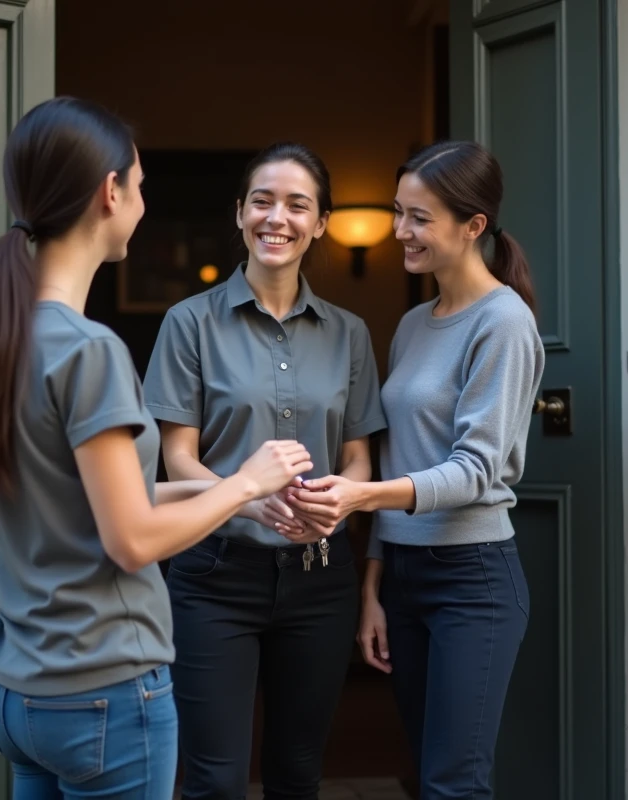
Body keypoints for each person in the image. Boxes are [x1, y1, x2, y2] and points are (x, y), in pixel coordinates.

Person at [0, 97, 313, 800]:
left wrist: (239, 491)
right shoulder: (89, 349)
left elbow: (105, 500)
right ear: (109, 193)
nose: (142, 205)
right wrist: (245, 484)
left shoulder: (5, 337)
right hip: (104, 695)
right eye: (140, 187)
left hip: (21, 697)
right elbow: (134, 538)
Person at [283, 140, 545, 800]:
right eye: (399, 213)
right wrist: (375, 587)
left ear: (473, 226)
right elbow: (401, 455)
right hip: (404, 579)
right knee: (426, 775)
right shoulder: (411, 325)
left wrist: (361, 496)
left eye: (419, 217)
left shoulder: (504, 322)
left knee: (454, 784)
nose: (401, 231)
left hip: (472, 581)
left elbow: (476, 470)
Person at [141, 141, 387, 800]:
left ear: (321, 222)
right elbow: (177, 457)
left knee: (297, 775)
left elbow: (359, 454)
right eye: (262, 201)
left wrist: (344, 499)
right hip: (215, 574)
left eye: (296, 204)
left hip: (320, 581)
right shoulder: (188, 323)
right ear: (241, 213)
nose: (276, 218)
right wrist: (245, 499)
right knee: (215, 781)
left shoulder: (350, 333)